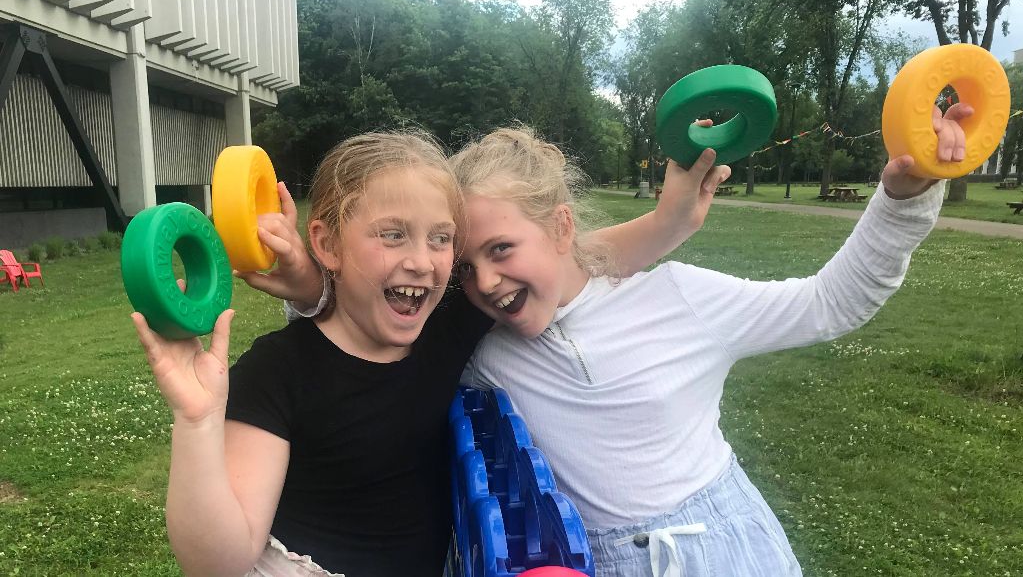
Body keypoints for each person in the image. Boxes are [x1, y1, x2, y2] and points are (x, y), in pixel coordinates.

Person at [131, 128, 730, 576]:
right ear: (327, 243)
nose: (422, 261)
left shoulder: (444, 326)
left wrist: (669, 222)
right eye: (393, 234)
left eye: (441, 239)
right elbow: (220, 562)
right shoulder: (278, 371)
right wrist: (197, 421)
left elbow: (561, 257)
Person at [447, 105, 972, 577]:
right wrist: (663, 223)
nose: (485, 282)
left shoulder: (677, 296)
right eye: (465, 267)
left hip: (728, 549)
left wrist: (903, 200)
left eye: (501, 249)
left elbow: (831, 302)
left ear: (563, 227)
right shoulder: (486, 357)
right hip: (598, 562)